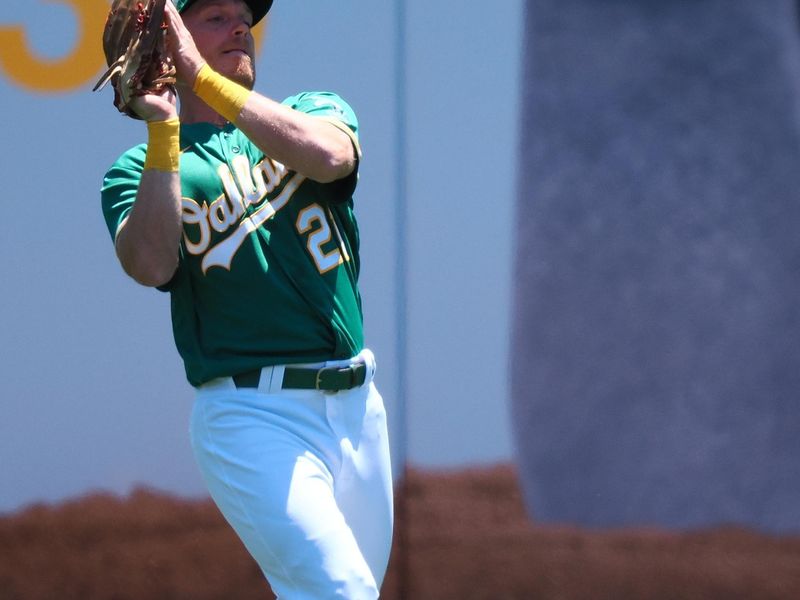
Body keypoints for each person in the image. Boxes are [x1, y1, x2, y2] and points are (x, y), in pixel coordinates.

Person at [100, 0, 394, 597]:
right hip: (253, 415)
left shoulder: (312, 111)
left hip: (359, 410)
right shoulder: (140, 169)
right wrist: (163, 130)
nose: (240, 27)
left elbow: (331, 156)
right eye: (213, 17)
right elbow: (150, 263)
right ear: (168, 43)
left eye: (243, 16)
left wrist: (201, 76)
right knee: (343, 592)